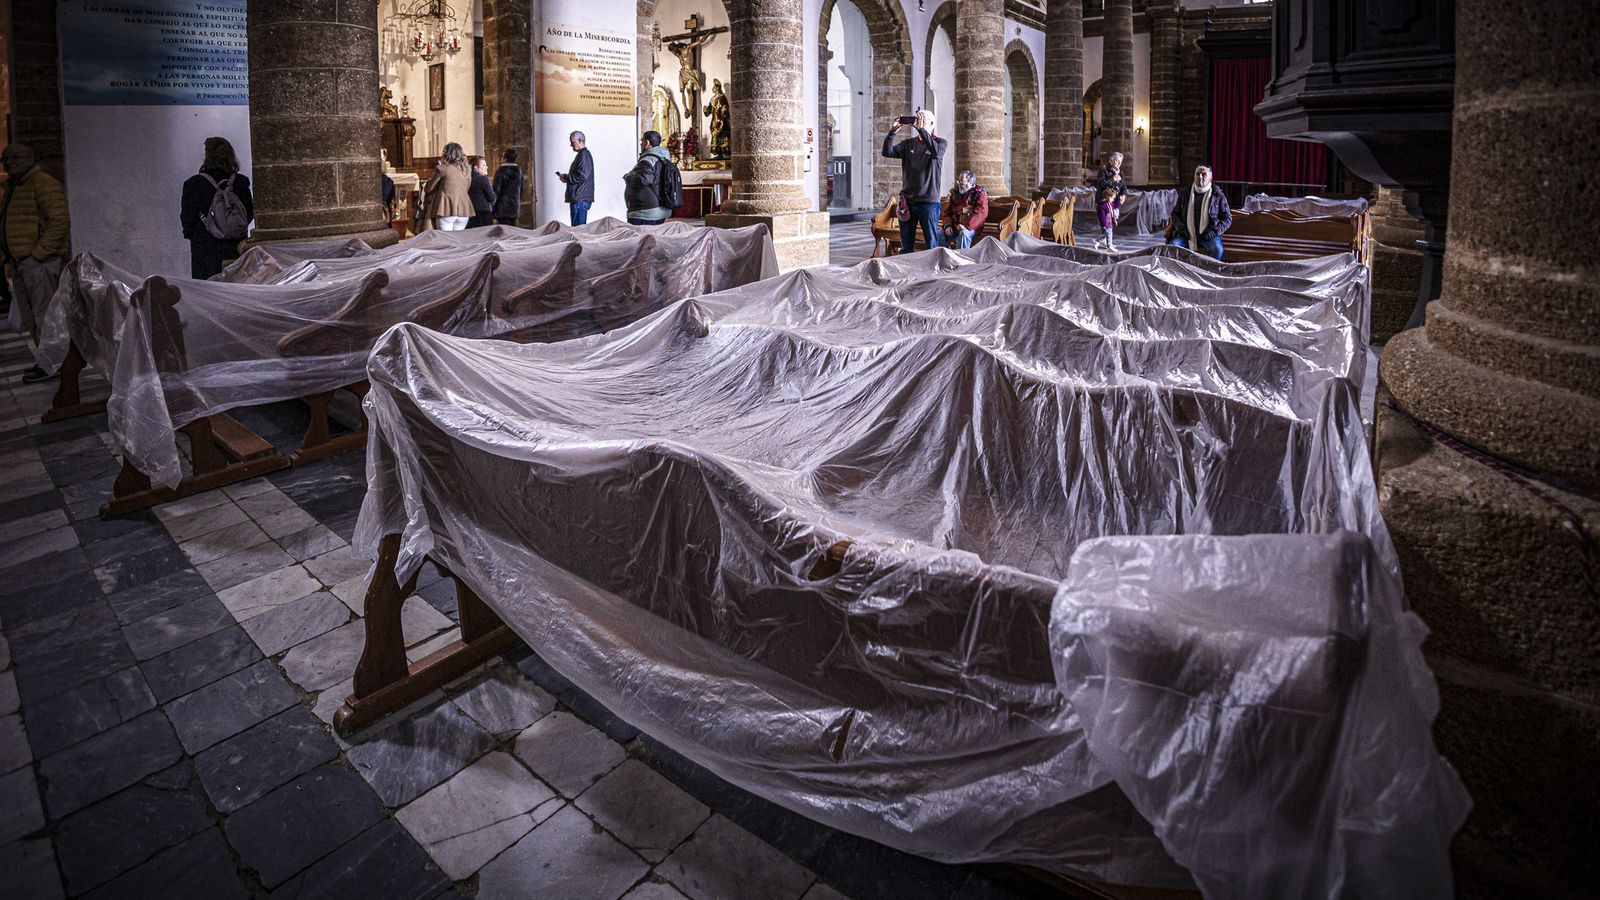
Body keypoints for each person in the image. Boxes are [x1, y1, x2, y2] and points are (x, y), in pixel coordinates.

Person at [1, 143, 70, 383]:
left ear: (31, 158)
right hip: (21, 262)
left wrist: (38, 254)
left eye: (16, 157)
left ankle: (56, 363)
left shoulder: (42, 183)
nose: (9, 162)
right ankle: (46, 361)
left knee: (46, 316)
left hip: (37, 262)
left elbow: (59, 220)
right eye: (5, 158)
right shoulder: (13, 187)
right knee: (32, 317)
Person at [179, 136, 254, 280]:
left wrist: (198, 235)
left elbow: (188, 219)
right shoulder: (241, 182)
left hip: (205, 248)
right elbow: (248, 213)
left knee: (208, 292)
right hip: (235, 246)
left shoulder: (193, 184)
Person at [881, 109, 946, 253]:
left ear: (931, 123)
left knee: (931, 243)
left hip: (929, 202)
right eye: (917, 118)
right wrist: (893, 132)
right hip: (908, 202)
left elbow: (936, 153)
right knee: (906, 244)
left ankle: (933, 271)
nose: (918, 121)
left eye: (922, 119)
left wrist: (922, 130)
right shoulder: (908, 144)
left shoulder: (940, 143)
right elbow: (887, 152)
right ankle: (906, 271)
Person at [1166, 164, 1232, 260]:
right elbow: (1175, 213)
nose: (1200, 177)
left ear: (1210, 178)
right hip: (1187, 234)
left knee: (1217, 249)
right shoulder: (1186, 193)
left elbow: (1227, 218)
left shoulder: (1217, 194)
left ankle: (1209, 273)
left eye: (1204, 174)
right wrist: (1181, 229)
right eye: (1197, 174)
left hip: (1208, 235)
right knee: (1172, 246)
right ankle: (1178, 273)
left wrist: (1214, 232)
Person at [622, 130, 678, 226]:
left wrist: (628, 177)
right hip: (658, 208)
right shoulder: (663, 158)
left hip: (645, 212)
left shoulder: (648, 160)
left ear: (647, 143)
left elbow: (644, 179)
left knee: (641, 240)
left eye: (642, 141)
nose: (641, 144)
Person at [422, 142, 474, 231]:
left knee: (445, 239)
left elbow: (429, 189)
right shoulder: (467, 170)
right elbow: (466, 189)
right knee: (457, 240)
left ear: (446, 154)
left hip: (445, 208)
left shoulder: (442, 168)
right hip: (463, 209)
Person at [939, 169, 988, 250]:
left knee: (963, 234)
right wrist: (948, 226)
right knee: (940, 234)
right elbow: (948, 213)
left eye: (962, 181)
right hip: (955, 226)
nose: (959, 183)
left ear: (971, 182)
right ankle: (947, 256)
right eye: (959, 180)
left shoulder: (979, 193)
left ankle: (961, 259)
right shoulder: (955, 194)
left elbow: (981, 213)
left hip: (972, 227)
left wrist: (966, 226)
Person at [557, 132, 594, 226]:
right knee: (578, 230)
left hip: (579, 199)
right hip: (580, 198)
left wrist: (566, 177)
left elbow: (583, 176)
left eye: (573, 142)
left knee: (578, 231)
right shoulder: (583, 155)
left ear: (580, 140)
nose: (571, 145)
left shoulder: (584, 155)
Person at [1094, 151, 1128, 251]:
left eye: (1120, 162)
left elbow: (1124, 186)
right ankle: (1107, 244)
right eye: (1117, 161)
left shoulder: (1121, 172)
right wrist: (1112, 179)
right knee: (1108, 224)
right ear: (1111, 161)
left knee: (1112, 221)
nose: (1119, 164)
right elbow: (1101, 184)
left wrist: (1123, 195)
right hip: (1105, 201)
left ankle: (1104, 241)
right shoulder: (1104, 171)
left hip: (1115, 202)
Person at [491, 149, 523, 226]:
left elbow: (496, 190)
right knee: (513, 230)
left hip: (502, 207)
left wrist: (493, 207)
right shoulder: (519, 171)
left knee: (504, 232)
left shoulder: (501, 171)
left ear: (505, 158)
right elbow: (521, 189)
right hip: (514, 206)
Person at [467, 157, 497, 228]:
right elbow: (491, 197)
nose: (486, 167)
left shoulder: (467, 179)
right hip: (483, 213)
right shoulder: (483, 179)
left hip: (470, 212)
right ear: (476, 168)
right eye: (483, 165)